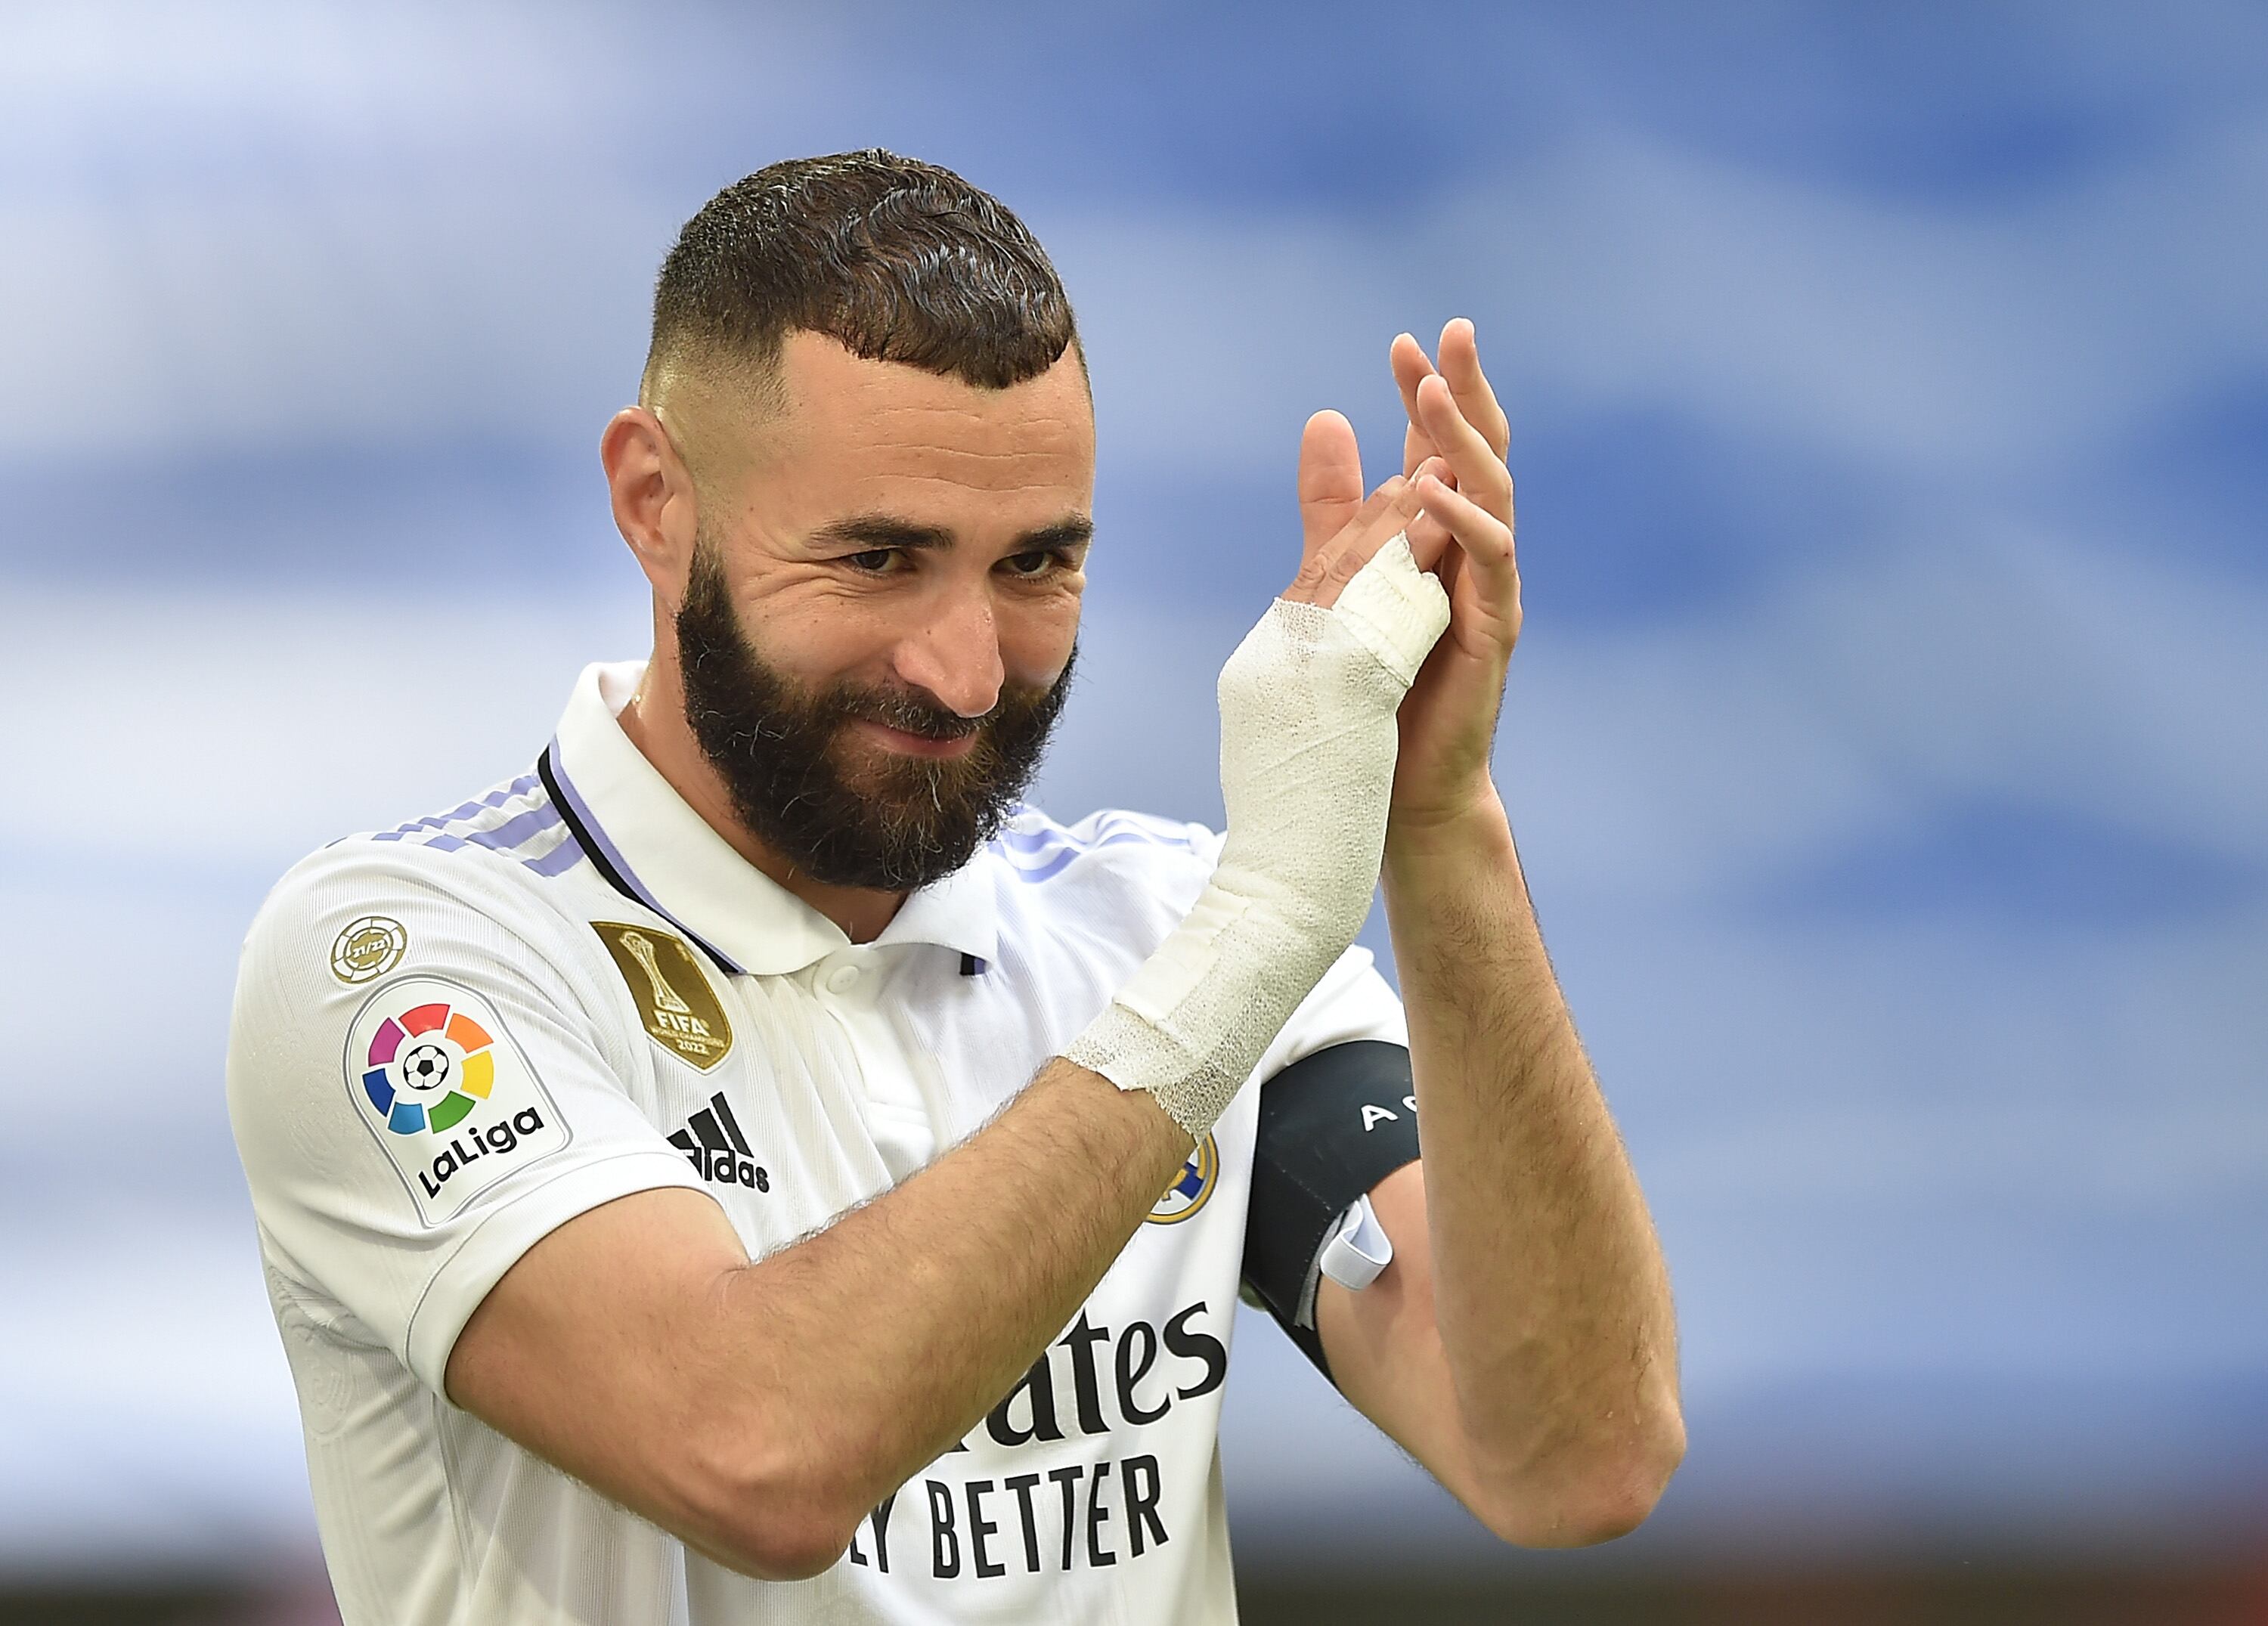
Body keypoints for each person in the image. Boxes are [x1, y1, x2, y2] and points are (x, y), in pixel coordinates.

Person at [226, 149, 1682, 1625]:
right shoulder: (398, 964)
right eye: (878, 558)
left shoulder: (1163, 921)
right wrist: (1256, 933)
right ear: (656, 501)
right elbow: (757, 1450)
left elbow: (1572, 1456)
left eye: (1038, 563)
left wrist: (1441, 825)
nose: (966, 669)